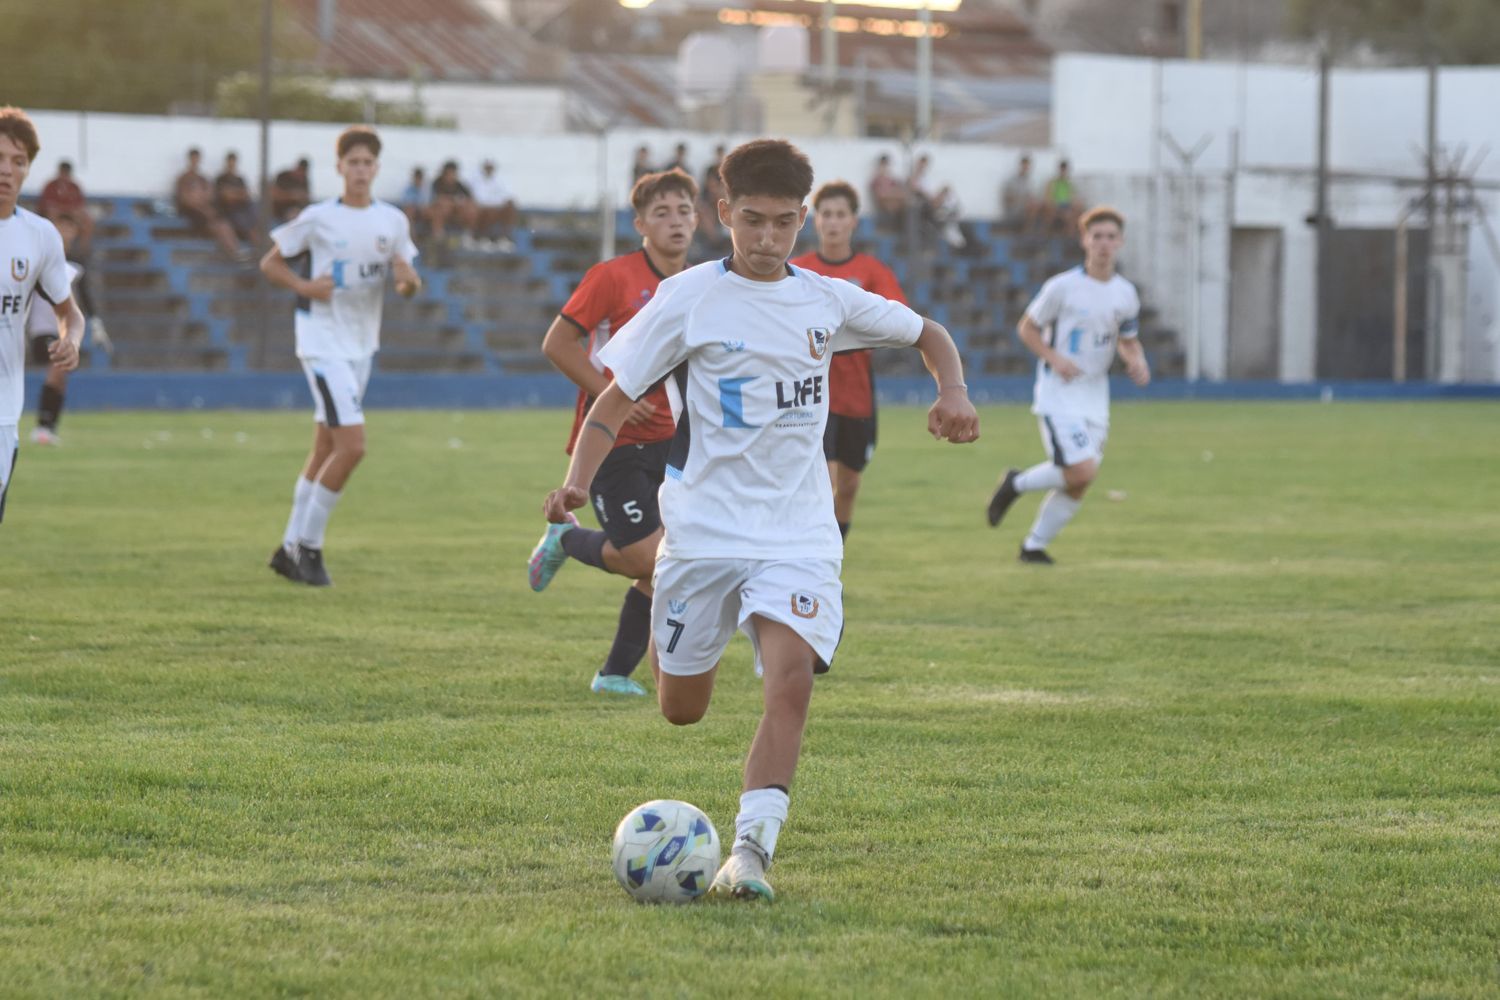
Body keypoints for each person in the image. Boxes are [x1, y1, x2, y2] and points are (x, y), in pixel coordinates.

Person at [541, 139, 979, 902]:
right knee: (682, 710)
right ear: (724, 214)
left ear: (802, 220)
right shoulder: (687, 299)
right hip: (703, 534)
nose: (769, 239)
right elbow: (613, 401)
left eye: (783, 223)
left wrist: (955, 391)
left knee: (791, 680)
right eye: (753, 221)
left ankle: (750, 852)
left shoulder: (825, 298)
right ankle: (600, 570)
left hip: (796, 534)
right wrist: (576, 481)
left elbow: (927, 333)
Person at [527, 168, 699, 696]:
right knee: (651, 558)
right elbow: (558, 344)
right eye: (663, 212)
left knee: (667, 563)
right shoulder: (611, 277)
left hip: (675, 444)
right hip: (613, 445)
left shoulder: (698, 285)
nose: (675, 221)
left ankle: (613, 676)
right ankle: (566, 539)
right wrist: (616, 395)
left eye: (684, 211)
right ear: (640, 223)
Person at [259, 126, 421, 587]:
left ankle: (287, 546)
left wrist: (408, 278)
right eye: (353, 162)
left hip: (361, 345)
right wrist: (304, 287)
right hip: (321, 342)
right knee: (353, 446)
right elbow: (270, 262)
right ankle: (307, 549)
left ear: (376, 168)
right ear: (339, 168)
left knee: (326, 447)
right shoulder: (319, 217)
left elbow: (408, 283)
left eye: (368, 162)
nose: (360, 170)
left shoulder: (392, 220)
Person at [986, 206, 1150, 563]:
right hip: (1058, 393)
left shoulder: (1126, 293)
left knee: (1080, 480)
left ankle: (1033, 547)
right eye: (1097, 236)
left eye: (1110, 237)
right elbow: (1027, 328)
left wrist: (1136, 360)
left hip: (1095, 395)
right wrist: (1054, 357)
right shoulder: (1062, 287)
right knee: (1083, 468)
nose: (1104, 244)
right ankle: (1015, 484)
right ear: (1084, 240)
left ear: (1120, 242)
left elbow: (1127, 339)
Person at [789, 180, 907, 541]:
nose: (834, 222)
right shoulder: (798, 270)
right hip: (811, 396)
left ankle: (834, 554)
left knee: (850, 484)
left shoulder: (872, 272)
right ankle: (812, 555)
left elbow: (897, 318)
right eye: (827, 214)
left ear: (854, 221)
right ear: (814, 221)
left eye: (841, 214)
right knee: (825, 481)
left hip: (856, 396)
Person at [0, 106, 86, 524]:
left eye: (18, 161)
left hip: (3, 411)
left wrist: (71, 338)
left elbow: (70, 312)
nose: (7, 170)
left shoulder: (39, 236)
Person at [28, 216, 109, 446]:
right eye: (60, 227)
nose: (65, 232)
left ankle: (50, 427)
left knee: (61, 377)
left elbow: (85, 297)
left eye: (69, 227)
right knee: (57, 369)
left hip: (66, 330)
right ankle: (42, 426)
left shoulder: (76, 263)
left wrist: (95, 323)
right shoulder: (39, 259)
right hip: (42, 327)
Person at [174, 148, 248, 260]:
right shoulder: (183, 178)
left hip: (204, 210)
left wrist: (202, 202)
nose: (195, 161)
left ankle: (236, 251)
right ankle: (233, 252)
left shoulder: (202, 179)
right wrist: (199, 203)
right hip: (192, 212)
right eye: (193, 159)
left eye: (197, 159)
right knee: (216, 225)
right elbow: (184, 199)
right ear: (189, 159)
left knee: (223, 223)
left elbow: (210, 196)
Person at [37, 159, 93, 254]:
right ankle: (50, 246)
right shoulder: (51, 185)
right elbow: (45, 205)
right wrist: (59, 209)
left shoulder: (74, 186)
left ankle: (83, 250)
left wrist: (73, 212)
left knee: (88, 221)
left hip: (71, 215)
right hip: (55, 215)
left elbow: (80, 205)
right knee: (53, 215)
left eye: (66, 173)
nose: (64, 175)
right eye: (62, 172)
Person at [468, 159, 518, 251]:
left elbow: (506, 196)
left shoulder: (499, 181)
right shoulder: (475, 181)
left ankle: (504, 238)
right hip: (483, 210)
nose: (489, 170)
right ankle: (483, 238)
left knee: (510, 209)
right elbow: (479, 199)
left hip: (496, 208)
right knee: (489, 212)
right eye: (487, 167)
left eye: (490, 168)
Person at [426, 160, 477, 244]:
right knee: (442, 207)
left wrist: (458, 202)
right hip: (438, 212)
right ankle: (438, 236)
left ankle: (468, 234)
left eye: (453, 173)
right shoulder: (437, 183)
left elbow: (470, 198)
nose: (451, 176)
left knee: (469, 209)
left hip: (455, 213)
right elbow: (436, 200)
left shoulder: (459, 184)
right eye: (449, 173)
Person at [214, 151, 257, 244]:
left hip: (243, 210)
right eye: (230, 161)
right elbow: (226, 196)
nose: (232, 164)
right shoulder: (221, 179)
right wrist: (238, 194)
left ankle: (258, 249)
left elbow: (246, 195)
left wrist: (234, 193)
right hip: (229, 212)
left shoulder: (240, 179)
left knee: (254, 218)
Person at [1002, 154, 1042, 232]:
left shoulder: (1030, 182)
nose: (1025, 168)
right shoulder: (1012, 181)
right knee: (1032, 207)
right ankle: (1027, 231)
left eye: (1027, 166)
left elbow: (1032, 197)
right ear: (1020, 166)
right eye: (1024, 166)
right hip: (1015, 209)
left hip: (1026, 209)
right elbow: (1008, 199)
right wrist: (1023, 200)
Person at [1041, 159, 1081, 234]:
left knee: (1072, 214)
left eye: (1065, 170)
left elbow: (1073, 198)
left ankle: (1069, 236)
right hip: (1055, 205)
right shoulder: (1053, 182)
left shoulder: (1069, 183)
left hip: (1066, 206)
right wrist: (1054, 205)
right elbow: (1048, 196)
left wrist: (1073, 205)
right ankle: (1046, 234)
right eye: (1062, 169)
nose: (1063, 172)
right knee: (1050, 212)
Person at [868, 154, 906, 227]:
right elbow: (881, 195)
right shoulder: (876, 180)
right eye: (883, 165)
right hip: (886, 206)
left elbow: (901, 192)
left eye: (886, 165)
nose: (885, 167)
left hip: (896, 205)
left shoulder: (892, 180)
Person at [270, 158, 311, 222]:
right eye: (300, 170)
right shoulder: (283, 176)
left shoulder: (304, 180)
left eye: (303, 172)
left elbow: (306, 197)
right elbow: (274, 194)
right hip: (277, 214)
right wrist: (293, 196)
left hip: (294, 214)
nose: (301, 174)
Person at [399, 166, 429, 235]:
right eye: (417, 178)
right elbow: (407, 202)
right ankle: (411, 235)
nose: (418, 180)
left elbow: (427, 202)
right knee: (409, 211)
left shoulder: (426, 189)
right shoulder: (408, 189)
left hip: (424, 211)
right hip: (413, 211)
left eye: (420, 178)